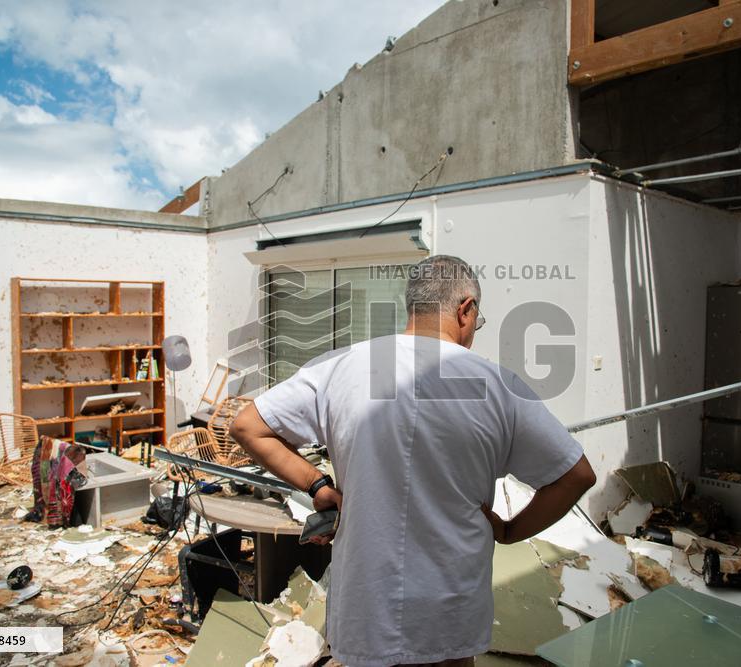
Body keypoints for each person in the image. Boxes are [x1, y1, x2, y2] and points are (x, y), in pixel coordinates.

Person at [232, 254, 595, 667]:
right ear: (466, 309)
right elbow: (576, 475)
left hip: (366, 606)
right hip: (449, 614)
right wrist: (510, 532)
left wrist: (318, 486)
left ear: (413, 307)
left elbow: (248, 427)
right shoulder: (498, 384)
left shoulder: (340, 367)